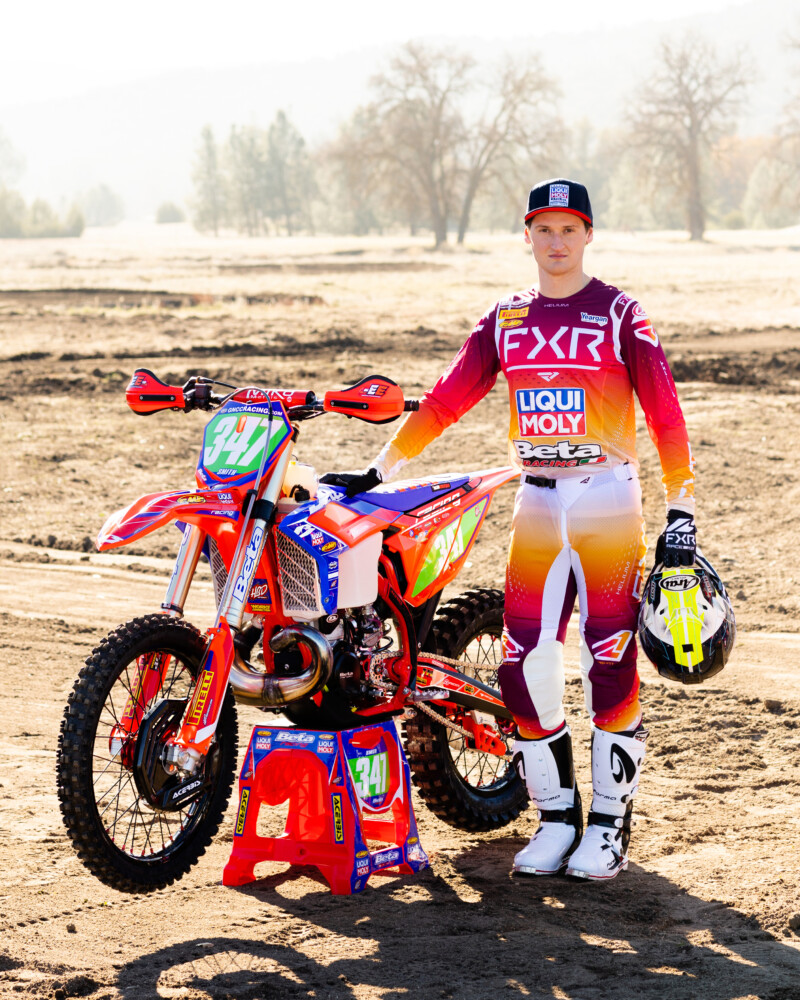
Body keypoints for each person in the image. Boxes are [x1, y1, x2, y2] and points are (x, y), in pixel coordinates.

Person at [336, 178, 697, 880]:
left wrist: (681, 508)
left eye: (569, 229)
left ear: (588, 234)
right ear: (527, 235)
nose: (557, 242)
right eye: (544, 229)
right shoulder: (506, 317)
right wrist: (380, 467)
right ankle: (557, 817)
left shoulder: (621, 312)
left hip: (607, 499)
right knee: (522, 663)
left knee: (609, 658)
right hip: (536, 500)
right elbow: (446, 400)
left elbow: (666, 415)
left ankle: (610, 824)